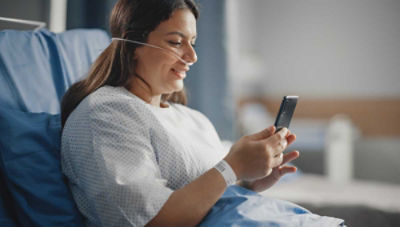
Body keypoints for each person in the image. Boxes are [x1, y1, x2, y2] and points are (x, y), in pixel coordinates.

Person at [60, 0, 337, 226]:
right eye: (176, 42)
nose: (192, 56)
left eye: (192, 41)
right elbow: (150, 220)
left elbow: (209, 196)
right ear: (133, 46)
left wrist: (248, 182)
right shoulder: (107, 113)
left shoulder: (192, 119)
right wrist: (233, 166)